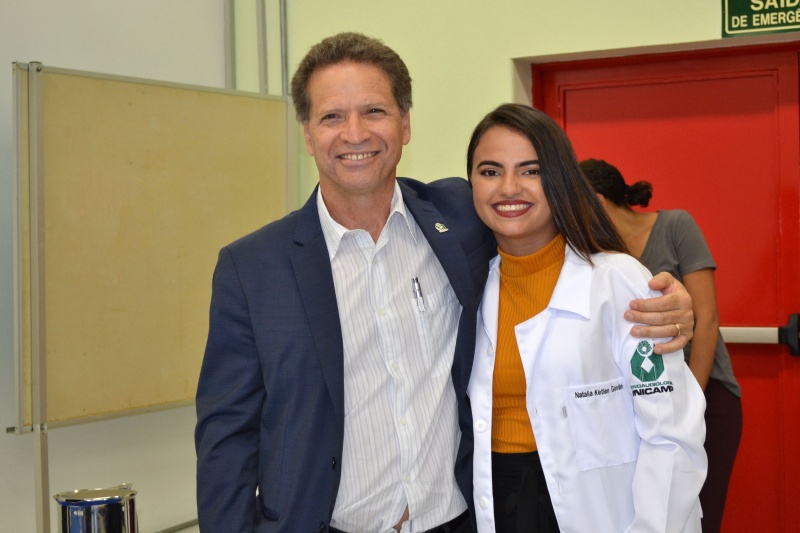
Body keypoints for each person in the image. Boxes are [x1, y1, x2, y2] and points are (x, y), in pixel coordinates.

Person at [194, 32, 695, 533]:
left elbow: (545, 241)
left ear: (405, 123)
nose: (354, 133)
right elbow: (226, 436)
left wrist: (669, 302)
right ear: (307, 133)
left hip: (458, 521)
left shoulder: (459, 220)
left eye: (374, 111)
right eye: (331, 116)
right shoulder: (254, 267)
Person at [466, 104, 707, 533]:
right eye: (489, 171)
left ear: (559, 179)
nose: (508, 187)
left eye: (531, 170)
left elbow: (671, 433)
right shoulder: (466, 285)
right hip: (495, 502)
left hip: (605, 513)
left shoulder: (619, 281)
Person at [580, 158, 742, 533]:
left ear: (599, 203)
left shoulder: (675, 226)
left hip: (705, 395)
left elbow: (706, 320)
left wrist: (688, 407)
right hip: (644, 406)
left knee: (698, 516)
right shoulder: (597, 253)